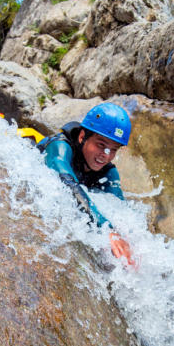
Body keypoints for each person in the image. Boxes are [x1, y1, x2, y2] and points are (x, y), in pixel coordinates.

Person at [37, 102, 134, 265]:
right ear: (82, 136)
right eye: (101, 145)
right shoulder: (60, 148)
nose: (105, 155)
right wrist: (106, 229)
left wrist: (128, 243)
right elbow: (68, 186)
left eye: (113, 150)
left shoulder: (108, 173)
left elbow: (121, 210)